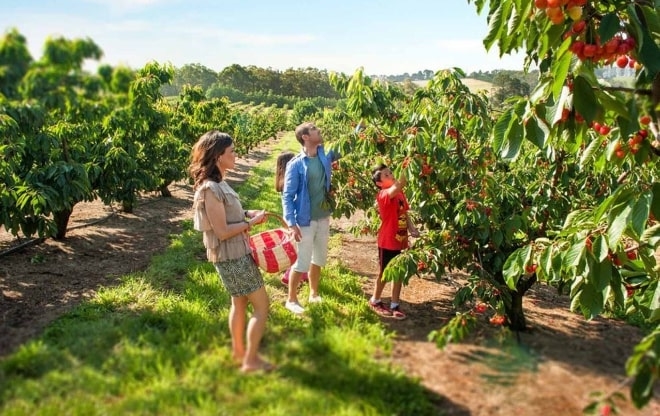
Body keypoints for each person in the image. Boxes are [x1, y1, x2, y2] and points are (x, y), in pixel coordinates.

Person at [189, 130, 273, 373]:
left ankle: (239, 354)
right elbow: (223, 231)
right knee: (261, 306)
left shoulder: (219, 183)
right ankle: (251, 361)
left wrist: (247, 213)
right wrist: (251, 225)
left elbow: (228, 214)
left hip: (235, 252)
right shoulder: (209, 189)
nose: (236, 154)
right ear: (218, 157)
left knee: (239, 303)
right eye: (232, 151)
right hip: (232, 256)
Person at [281, 122, 339, 315]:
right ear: (305, 137)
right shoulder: (296, 164)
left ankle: (313, 293)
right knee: (302, 261)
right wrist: (291, 223)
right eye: (315, 129)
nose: (319, 130)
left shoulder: (323, 155)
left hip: (323, 217)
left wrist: (359, 130)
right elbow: (287, 196)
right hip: (305, 219)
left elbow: (341, 149)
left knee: (319, 258)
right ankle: (291, 299)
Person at [368, 163, 419, 320]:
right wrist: (410, 163)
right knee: (384, 273)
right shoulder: (383, 195)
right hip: (388, 241)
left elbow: (405, 213)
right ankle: (375, 300)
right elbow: (401, 183)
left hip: (401, 241)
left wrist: (412, 229)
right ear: (379, 183)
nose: (391, 175)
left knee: (398, 273)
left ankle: (394, 304)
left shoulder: (399, 194)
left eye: (391, 172)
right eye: (386, 175)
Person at [275, 151, 308, 287]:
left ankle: (302, 275)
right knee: (300, 249)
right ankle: (289, 277)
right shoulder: (291, 182)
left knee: (298, 247)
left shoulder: (283, 182)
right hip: (296, 219)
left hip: (290, 218)